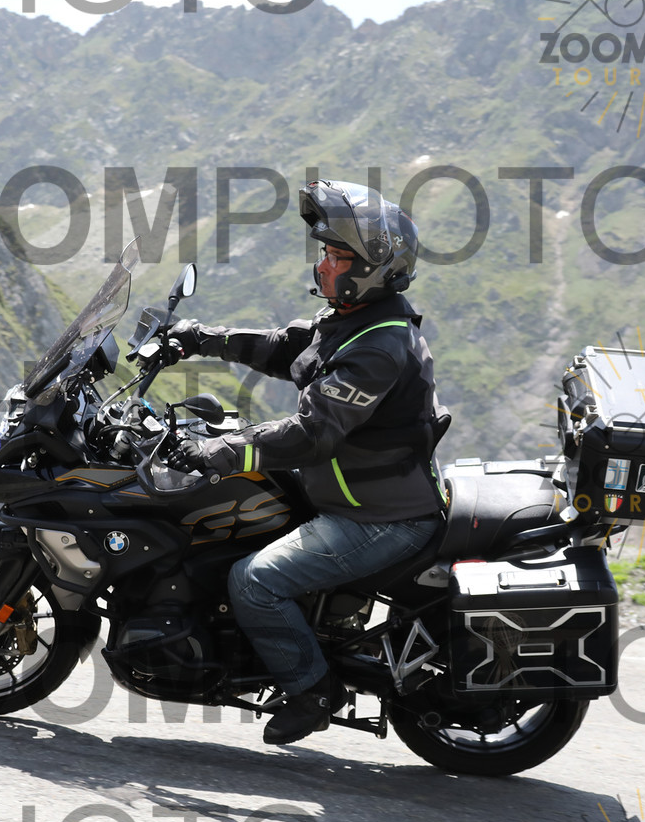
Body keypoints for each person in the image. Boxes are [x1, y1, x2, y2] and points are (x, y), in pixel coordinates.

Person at [164, 179, 447, 745]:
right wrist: (201, 339)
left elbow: (313, 434)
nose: (323, 265)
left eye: (338, 256)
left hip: (379, 517)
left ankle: (313, 690)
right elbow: (287, 348)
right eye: (325, 252)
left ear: (372, 269)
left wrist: (221, 452)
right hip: (349, 494)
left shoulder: (378, 347)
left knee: (254, 582)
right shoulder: (354, 319)